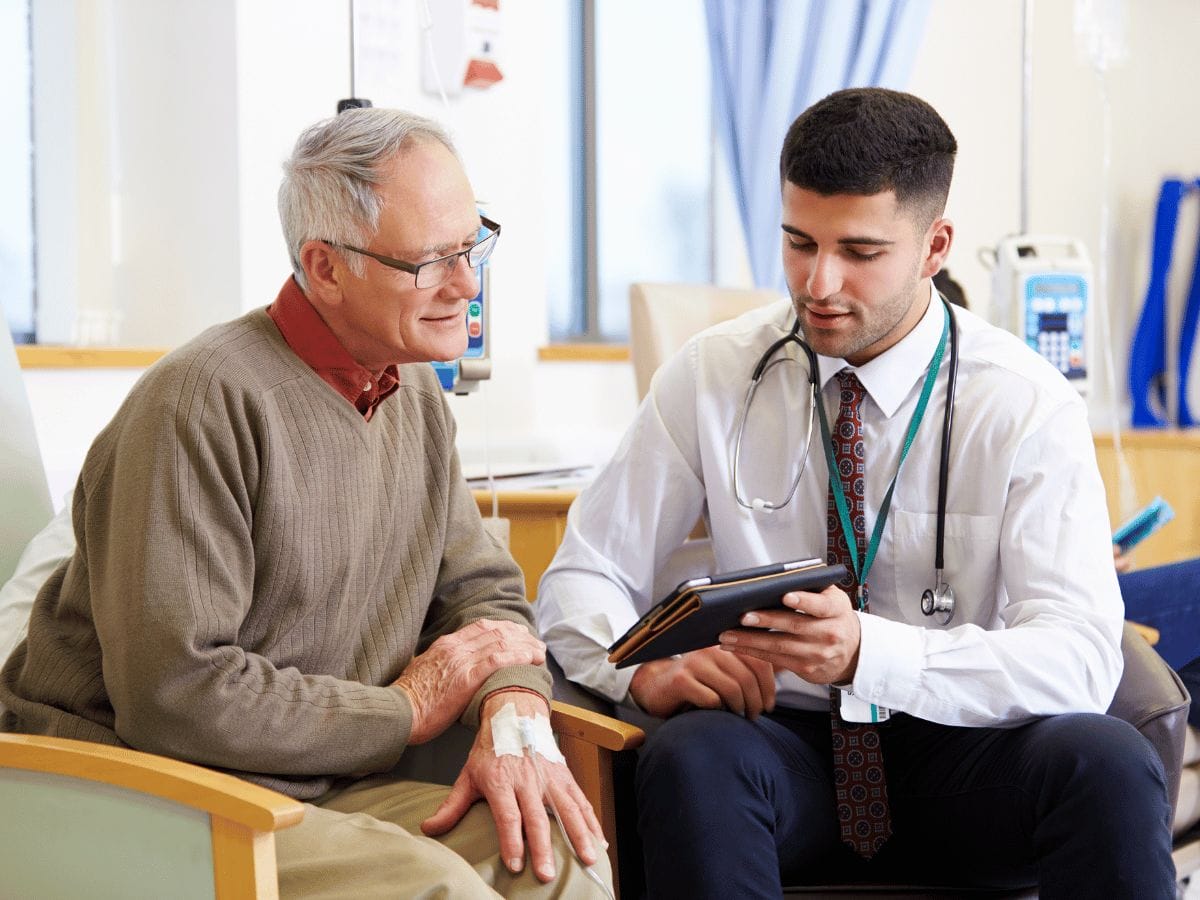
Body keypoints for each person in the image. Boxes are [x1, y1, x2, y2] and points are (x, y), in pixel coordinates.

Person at [537, 88, 1174, 897]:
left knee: (1106, 762)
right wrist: (641, 670)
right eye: (799, 242)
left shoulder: (1025, 401)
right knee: (691, 755)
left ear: (935, 245)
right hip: (782, 744)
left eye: (861, 251)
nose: (819, 283)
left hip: (961, 747)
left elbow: (1082, 657)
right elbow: (581, 575)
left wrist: (872, 652)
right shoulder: (713, 374)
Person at [0, 108, 610, 899]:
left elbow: (481, 598)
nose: (468, 284)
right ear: (326, 268)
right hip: (140, 790)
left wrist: (513, 709)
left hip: (323, 785)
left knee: (557, 863)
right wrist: (404, 711)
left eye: (472, 246)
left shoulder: (413, 390)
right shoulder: (200, 404)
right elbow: (176, 698)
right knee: (439, 889)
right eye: (431, 262)